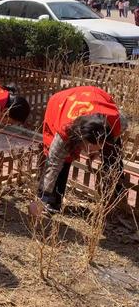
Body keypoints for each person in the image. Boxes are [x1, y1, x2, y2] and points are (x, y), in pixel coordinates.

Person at [30, 86, 126, 216]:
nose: (90, 152)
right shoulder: (65, 132)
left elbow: (111, 144)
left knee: (113, 156)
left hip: (96, 96)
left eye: (98, 146)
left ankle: (116, 197)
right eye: (88, 148)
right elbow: (53, 164)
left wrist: (98, 151)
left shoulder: (116, 124)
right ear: (79, 138)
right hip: (62, 102)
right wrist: (42, 198)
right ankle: (52, 202)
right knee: (62, 160)